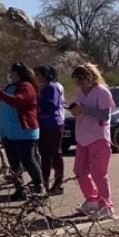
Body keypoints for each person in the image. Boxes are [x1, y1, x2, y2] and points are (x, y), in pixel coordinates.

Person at [0, 63, 44, 200]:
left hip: (23, 132)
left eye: (11, 72)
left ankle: (39, 187)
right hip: (9, 132)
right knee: (14, 163)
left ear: (18, 73)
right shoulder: (10, 87)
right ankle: (20, 190)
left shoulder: (26, 86)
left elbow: (18, 101)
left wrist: (1, 93)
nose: (9, 74)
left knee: (28, 160)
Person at [70, 63, 115, 220]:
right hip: (82, 138)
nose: (79, 83)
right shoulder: (79, 92)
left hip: (99, 137)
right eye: (77, 80)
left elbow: (105, 115)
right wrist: (75, 110)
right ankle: (92, 199)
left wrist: (85, 109)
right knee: (79, 170)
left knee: (98, 173)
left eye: (81, 79)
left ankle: (106, 206)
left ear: (90, 77)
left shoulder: (102, 92)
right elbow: (78, 110)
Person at [35, 66, 66, 195]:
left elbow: (51, 105)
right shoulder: (39, 88)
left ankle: (58, 183)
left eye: (38, 74)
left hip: (53, 124)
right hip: (42, 125)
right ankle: (45, 182)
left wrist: (38, 106)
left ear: (45, 75)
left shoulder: (52, 87)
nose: (36, 77)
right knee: (44, 155)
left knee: (55, 153)